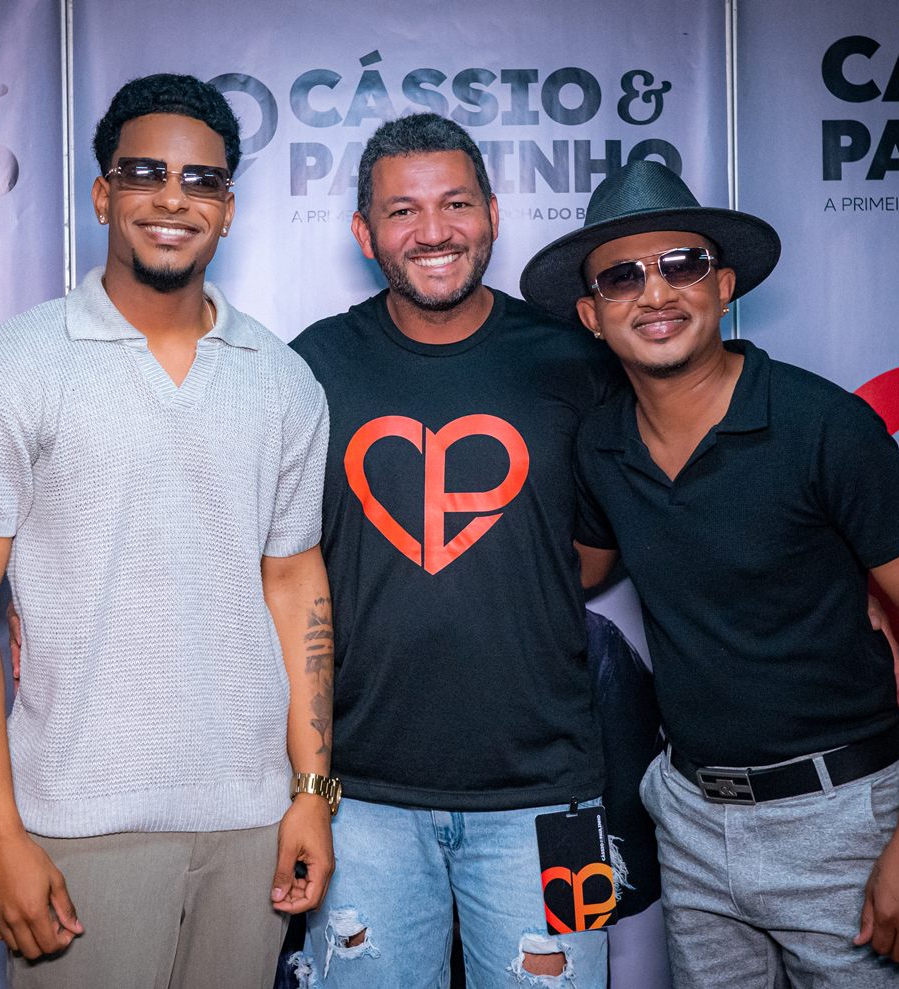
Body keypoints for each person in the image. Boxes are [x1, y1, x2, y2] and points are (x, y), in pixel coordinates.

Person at [520, 159, 899, 987]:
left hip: (842, 817)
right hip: (690, 818)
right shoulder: (601, 445)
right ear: (591, 314)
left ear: (723, 284)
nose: (655, 293)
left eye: (682, 265)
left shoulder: (822, 424)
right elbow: (576, 571)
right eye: (622, 277)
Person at [0, 73, 335, 989]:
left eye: (201, 180)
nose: (173, 200)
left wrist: (311, 792)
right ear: (104, 194)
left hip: (251, 826)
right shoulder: (7, 369)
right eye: (146, 173)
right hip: (75, 826)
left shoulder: (283, 381)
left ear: (229, 209)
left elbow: (295, 584)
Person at [288, 113, 617, 989]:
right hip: (359, 801)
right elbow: (266, 556)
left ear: (494, 215)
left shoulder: (575, 361)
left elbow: (627, 530)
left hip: (551, 795)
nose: (433, 231)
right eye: (402, 211)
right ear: (364, 233)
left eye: (456, 204)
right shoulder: (313, 365)